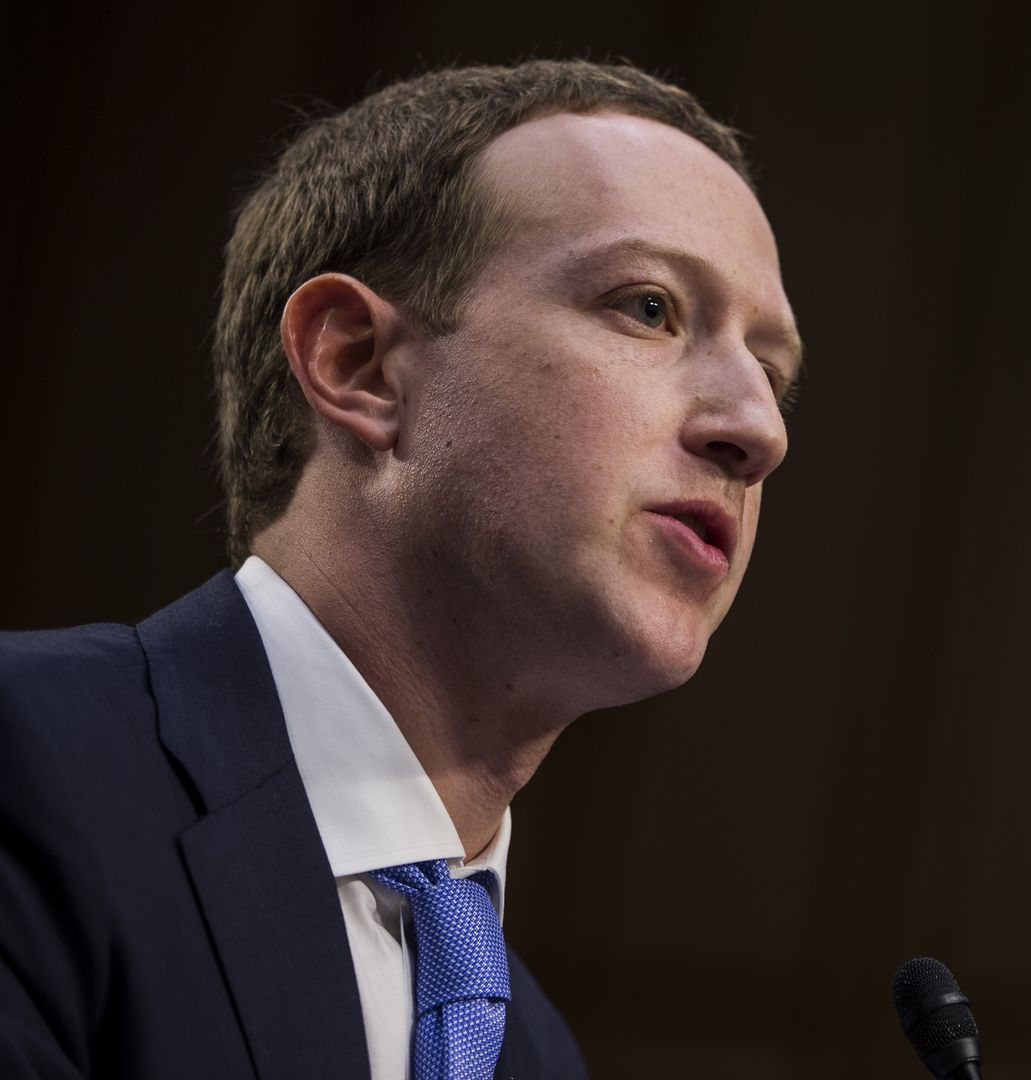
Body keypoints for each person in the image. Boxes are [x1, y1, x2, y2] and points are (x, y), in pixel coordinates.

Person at [0, 59, 802, 1080]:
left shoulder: (533, 1055)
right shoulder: (28, 773)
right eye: (648, 308)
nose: (758, 430)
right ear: (358, 365)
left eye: (772, 374)